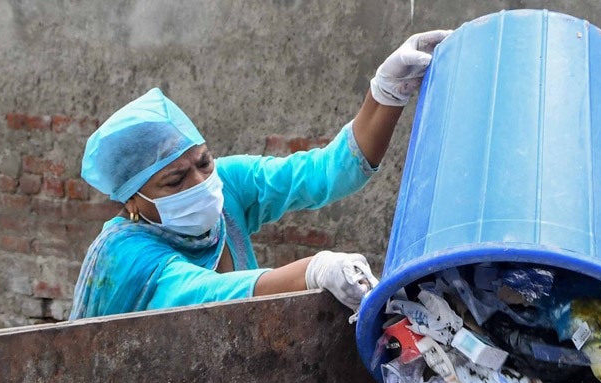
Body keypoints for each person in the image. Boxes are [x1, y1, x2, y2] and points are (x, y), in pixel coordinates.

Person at [71, 30, 449, 320]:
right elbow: (213, 296)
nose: (201, 184)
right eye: (175, 181)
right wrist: (314, 270)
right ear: (133, 198)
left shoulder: (228, 182)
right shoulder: (126, 257)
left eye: (203, 162)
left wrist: (386, 92)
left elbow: (325, 173)